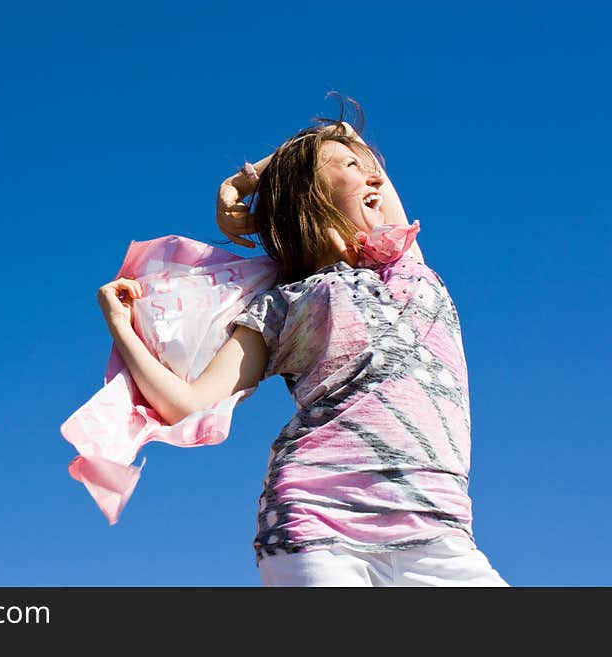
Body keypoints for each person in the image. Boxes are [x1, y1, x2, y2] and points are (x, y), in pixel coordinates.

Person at [96, 97, 508, 587]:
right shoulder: (281, 307)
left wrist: (244, 181)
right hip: (315, 523)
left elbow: (341, 132)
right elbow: (185, 403)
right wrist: (120, 324)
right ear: (312, 191)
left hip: (440, 531)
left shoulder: (406, 264)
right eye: (352, 168)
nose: (373, 175)